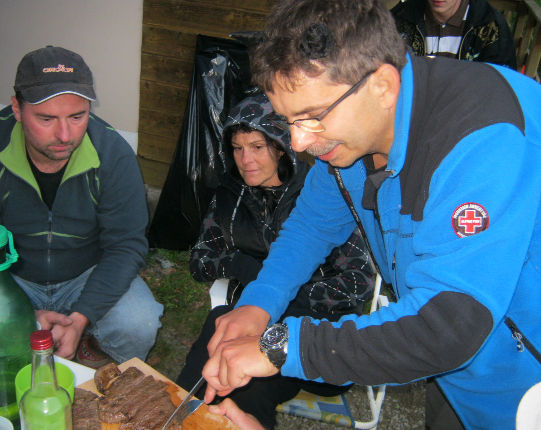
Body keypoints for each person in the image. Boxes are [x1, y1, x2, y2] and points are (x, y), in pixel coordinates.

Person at [200, 0, 541, 429]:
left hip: (527, 375)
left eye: (312, 118)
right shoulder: (353, 133)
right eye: (290, 122)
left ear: (382, 85)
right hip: (458, 370)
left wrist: (280, 346)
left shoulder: (482, 137)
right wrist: (259, 303)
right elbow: (312, 226)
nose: (300, 144)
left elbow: (447, 326)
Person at [176, 93, 375, 429]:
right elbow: (200, 261)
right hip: (255, 317)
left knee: (248, 387)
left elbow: (359, 284)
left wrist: (283, 292)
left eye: (256, 147)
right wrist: (245, 269)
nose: (245, 159)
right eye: (238, 148)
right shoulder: (229, 197)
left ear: (281, 147)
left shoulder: (319, 194)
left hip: (318, 339)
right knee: (221, 326)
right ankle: (178, 411)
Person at [0, 46, 164, 368]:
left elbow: (126, 245)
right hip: (10, 276)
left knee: (139, 324)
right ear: (17, 109)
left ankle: (89, 346)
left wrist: (81, 317)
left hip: (86, 272)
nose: (64, 135)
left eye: (77, 116)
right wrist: (18, 310)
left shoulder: (113, 155)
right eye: (46, 118)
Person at [391, 0, 516, 69]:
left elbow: (500, 86)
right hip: (412, 109)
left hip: (467, 111)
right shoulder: (400, 18)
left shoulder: (492, 28)